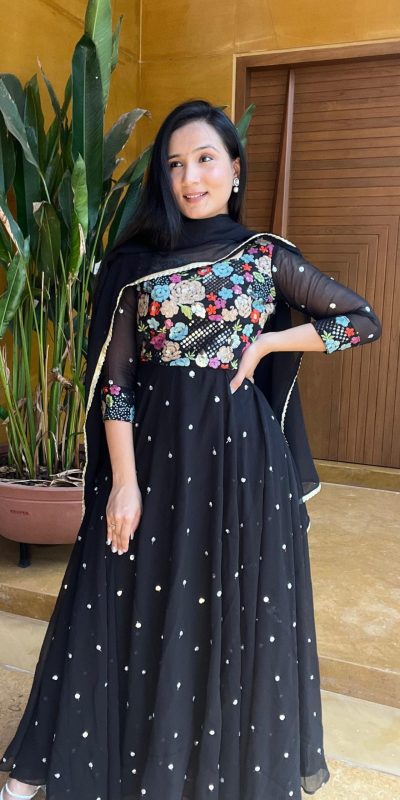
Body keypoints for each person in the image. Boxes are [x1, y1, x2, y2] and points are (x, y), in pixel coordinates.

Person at [0, 100, 381, 800]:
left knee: (223, 608)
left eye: (205, 159)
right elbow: (116, 383)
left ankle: (202, 769)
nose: (189, 178)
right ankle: (49, 764)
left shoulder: (264, 255)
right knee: (116, 592)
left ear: (234, 168)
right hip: (151, 457)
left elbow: (361, 321)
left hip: (242, 465)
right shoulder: (137, 263)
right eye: (175, 165)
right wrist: (123, 482)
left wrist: (268, 342)